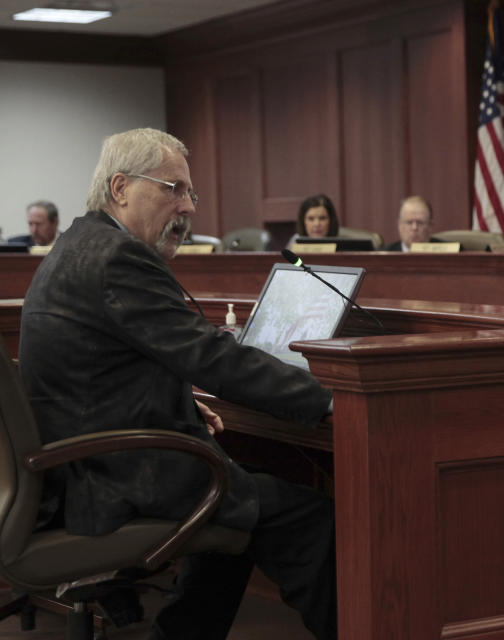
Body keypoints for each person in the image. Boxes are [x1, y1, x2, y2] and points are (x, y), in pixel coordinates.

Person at [18, 128, 336, 640]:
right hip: (108, 480)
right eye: (172, 189)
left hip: (82, 465)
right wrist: (327, 400)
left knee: (235, 502)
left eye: (190, 193)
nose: (187, 206)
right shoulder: (118, 258)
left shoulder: (80, 243)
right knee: (309, 520)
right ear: (121, 188)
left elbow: (99, 365)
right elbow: (211, 358)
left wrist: (174, 399)